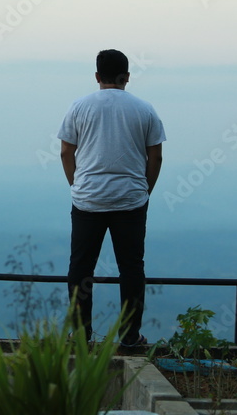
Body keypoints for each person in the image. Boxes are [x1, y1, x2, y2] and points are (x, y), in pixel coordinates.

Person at [58, 49, 165, 347]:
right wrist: (145, 189)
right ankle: (130, 337)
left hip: (87, 200)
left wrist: (76, 184)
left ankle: (81, 337)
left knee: (81, 269)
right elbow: (155, 156)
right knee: (131, 268)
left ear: (96, 76)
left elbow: (66, 151)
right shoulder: (144, 109)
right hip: (130, 200)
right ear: (127, 77)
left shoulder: (79, 107)